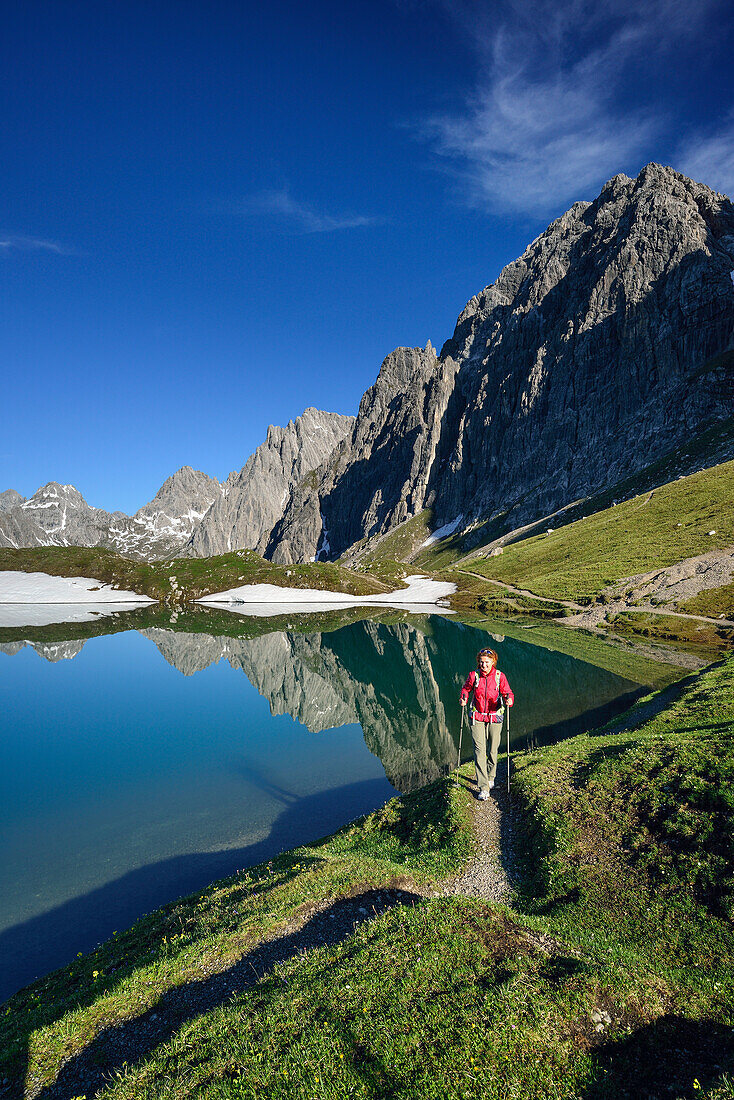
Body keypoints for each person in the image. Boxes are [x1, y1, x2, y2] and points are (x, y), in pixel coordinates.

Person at [459, 647, 514, 800]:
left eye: (487, 662)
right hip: (477, 717)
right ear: (479, 662)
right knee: (479, 750)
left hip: (495, 717)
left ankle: (491, 776)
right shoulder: (473, 676)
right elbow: (466, 689)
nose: (484, 665)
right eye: (482, 662)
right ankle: (483, 787)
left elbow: (507, 692)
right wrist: (463, 697)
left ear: (493, 662)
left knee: (493, 750)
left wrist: (509, 700)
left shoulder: (499, 676)